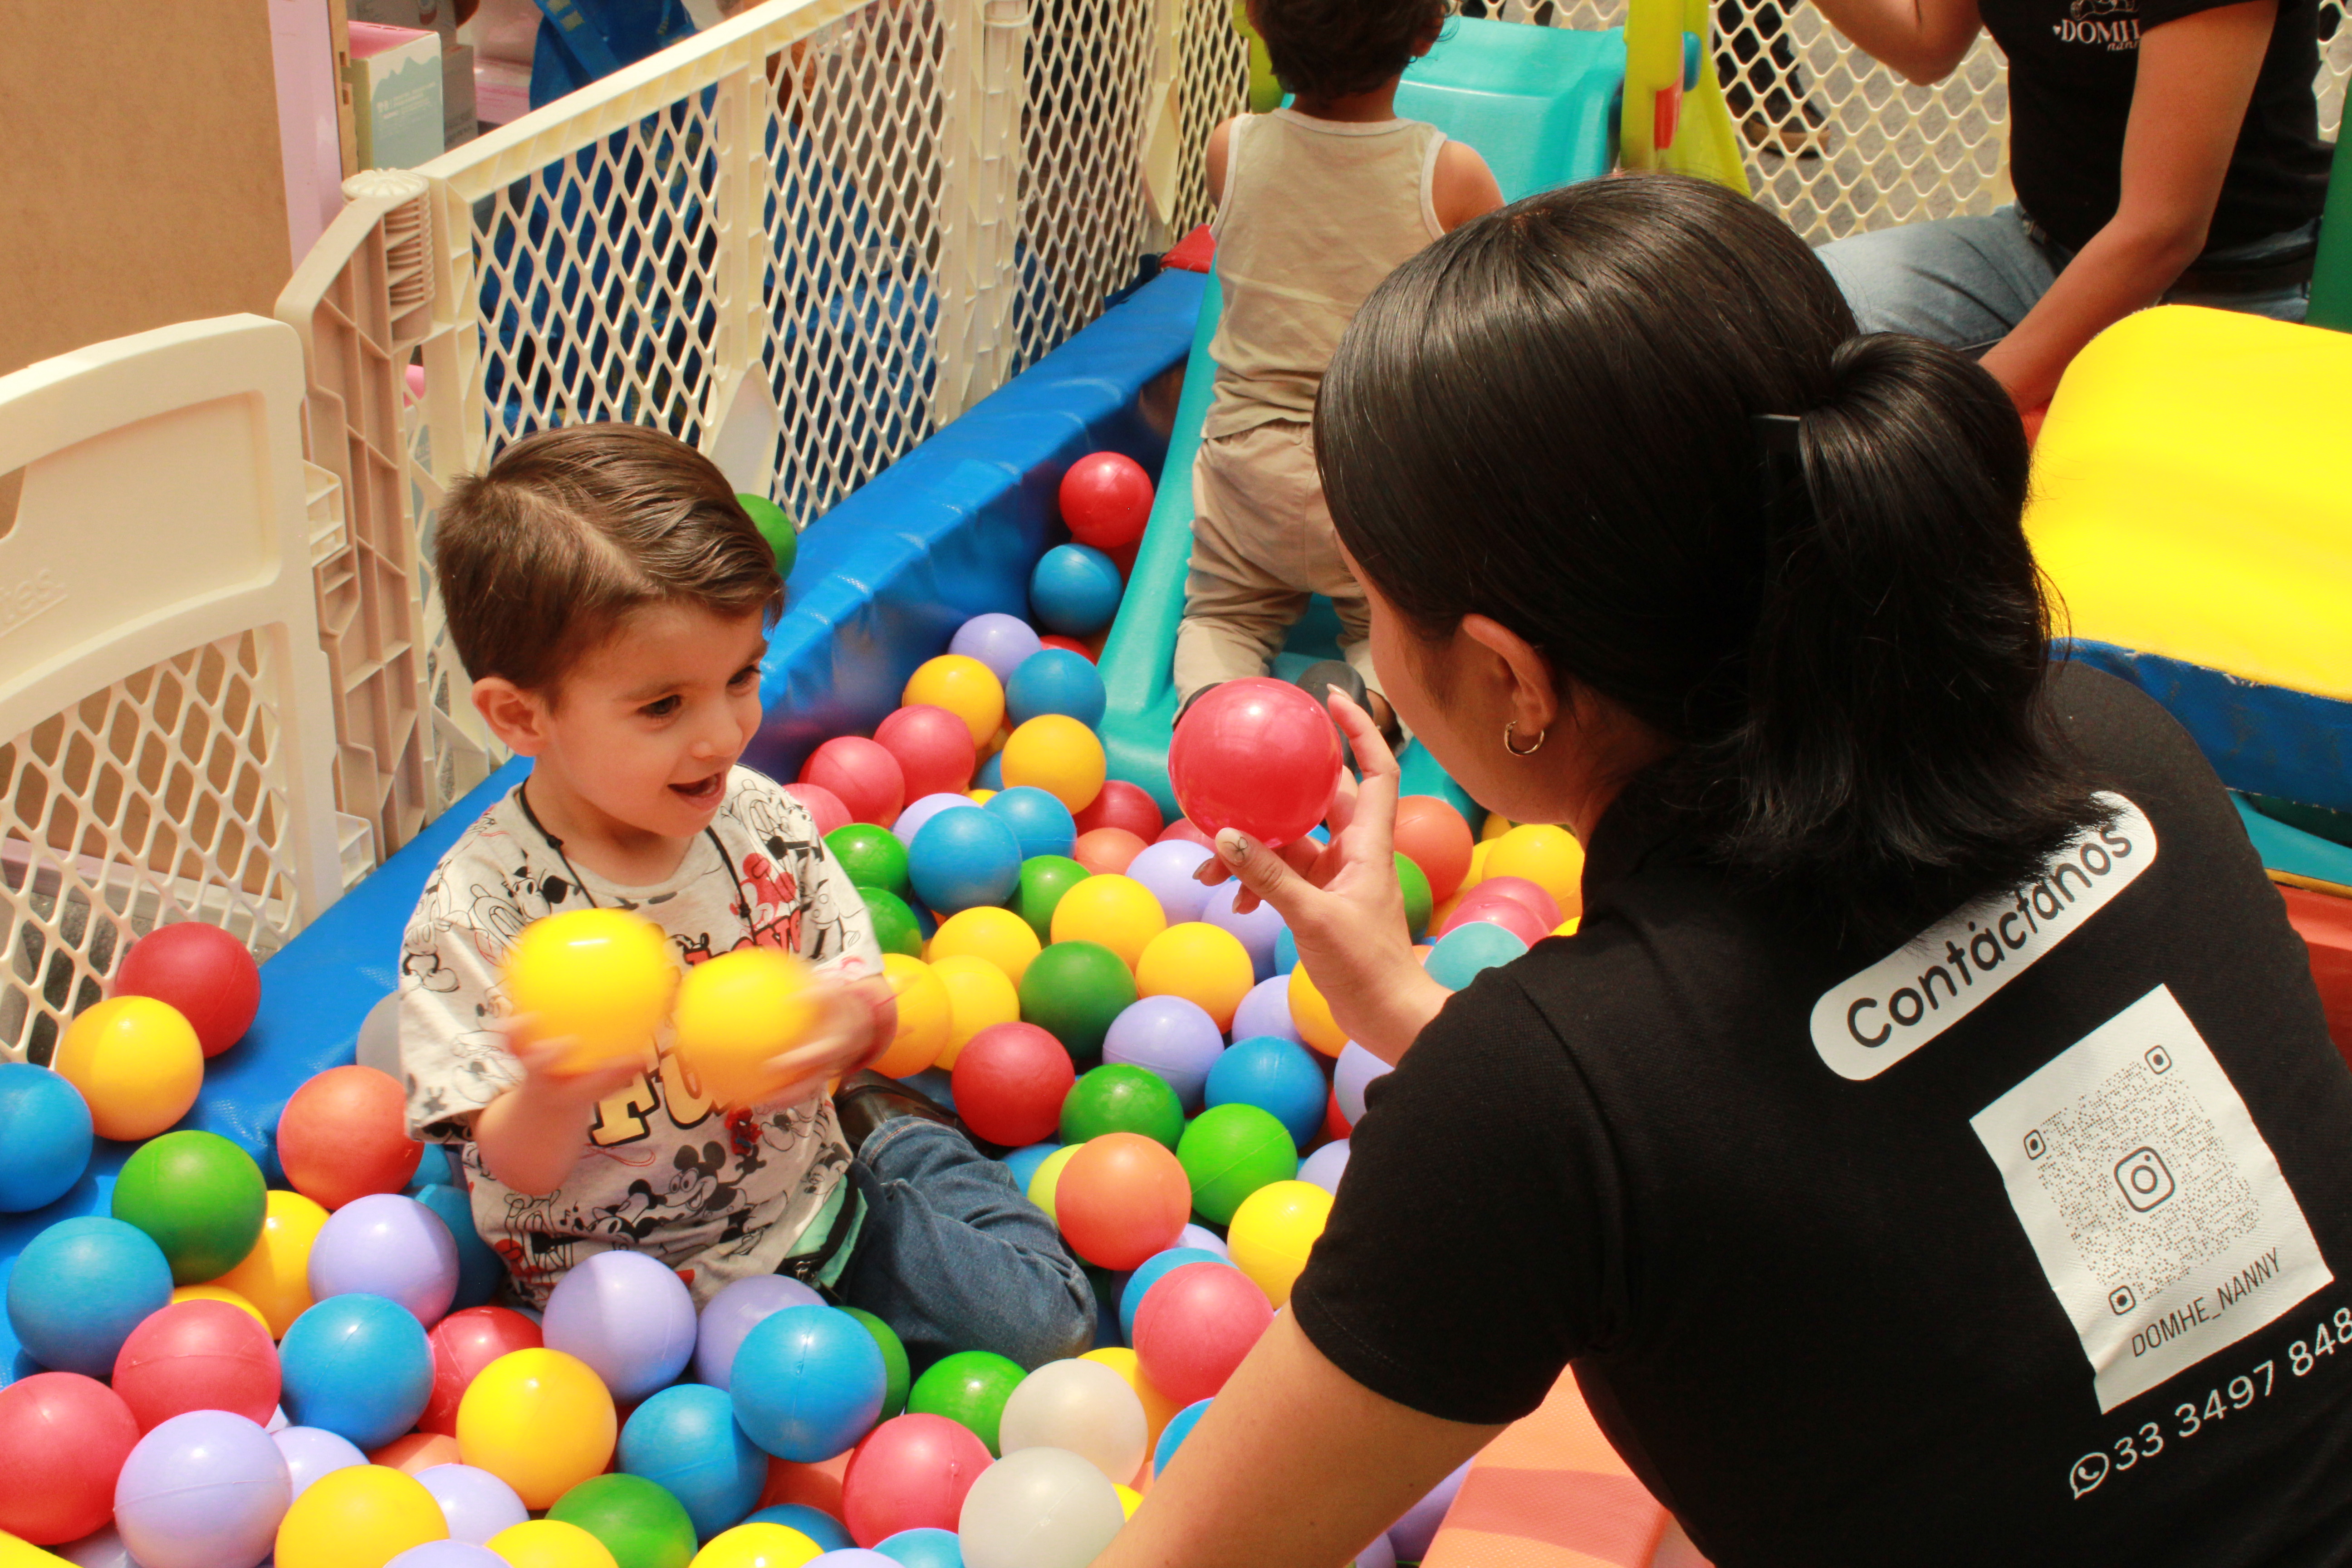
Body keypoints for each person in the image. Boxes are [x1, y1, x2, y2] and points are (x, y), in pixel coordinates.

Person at [1104, 174, 2352, 1567]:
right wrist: (1410, 1006)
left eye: (1373, 597)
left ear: (1512, 676)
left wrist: (1489, 1093)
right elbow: (1823, 1135)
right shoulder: (2117, 744)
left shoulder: (1539, 1108)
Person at [397, 423, 1091, 1368]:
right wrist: (556, 1090)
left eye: (741, 678)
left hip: (809, 1214)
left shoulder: (761, 824)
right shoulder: (481, 914)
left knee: (1045, 1328)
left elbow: (860, 994)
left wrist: (850, 1033)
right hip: (608, 1296)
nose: (723, 735)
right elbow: (514, 1165)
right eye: (662, 707)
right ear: (522, 715)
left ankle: (896, 1145)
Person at [1175, 0, 1504, 735]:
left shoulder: (1231, 146)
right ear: (1425, 34)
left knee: (1222, 615)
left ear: (1255, 24)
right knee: (1399, 625)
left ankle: (1212, 717)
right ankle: (1368, 708)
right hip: (1373, 476)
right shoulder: (1448, 174)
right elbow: (1497, 300)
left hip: (1244, 466)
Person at [1808, 0, 2330, 413]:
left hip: (2227, 293)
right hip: (2036, 251)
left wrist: (1964, 411)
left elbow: (2162, 232)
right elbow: (1926, 43)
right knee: (1776, 319)